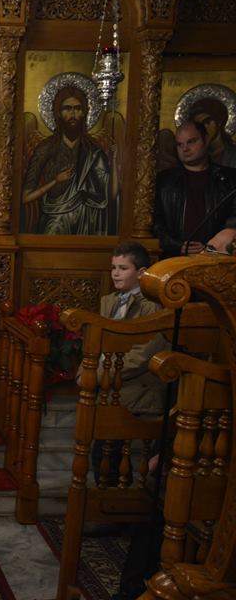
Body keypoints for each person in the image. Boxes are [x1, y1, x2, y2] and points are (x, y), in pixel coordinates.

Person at [90, 241, 168, 486]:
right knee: (102, 453)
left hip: (135, 389)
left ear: (141, 272)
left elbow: (140, 356)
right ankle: (110, 499)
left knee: (106, 452)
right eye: (113, 267)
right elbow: (95, 344)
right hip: (109, 385)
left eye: (123, 268)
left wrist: (98, 374)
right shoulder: (110, 301)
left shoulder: (152, 307)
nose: (115, 273)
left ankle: (116, 502)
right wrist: (86, 370)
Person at [22, 86, 112, 235]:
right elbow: (25, 197)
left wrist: (114, 162)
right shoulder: (45, 149)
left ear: (84, 112)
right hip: (54, 221)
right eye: (67, 109)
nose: (73, 114)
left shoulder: (93, 150)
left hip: (87, 223)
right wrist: (55, 181)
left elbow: (108, 194)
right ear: (58, 112)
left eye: (78, 109)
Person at [153, 121, 236, 258]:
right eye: (179, 144)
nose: (185, 149)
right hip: (173, 258)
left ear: (206, 140)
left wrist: (213, 245)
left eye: (191, 142)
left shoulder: (230, 179)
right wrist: (177, 246)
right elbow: (155, 223)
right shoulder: (164, 181)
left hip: (217, 259)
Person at [190, 97, 236, 168]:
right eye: (199, 125)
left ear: (219, 121)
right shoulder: (194, 156)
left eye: (207, 122)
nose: (203, 128)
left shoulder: (233, 154)